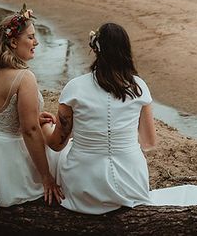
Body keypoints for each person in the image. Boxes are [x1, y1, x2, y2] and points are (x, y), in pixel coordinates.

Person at [45, 22, 156, 214]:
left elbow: (56, 144)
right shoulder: (139, 87)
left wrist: (44, 127)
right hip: (132, 184)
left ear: (96, 50)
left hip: (84, 185)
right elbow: (149, 142)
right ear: (126, 50)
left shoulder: (74, 88)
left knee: (54, 153)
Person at [0, 5, 63, 207]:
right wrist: (45, 177)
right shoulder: (24, 78)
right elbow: (30, 130)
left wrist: (33, 117)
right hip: (4, 165)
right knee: (62, 162)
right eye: (31, 37)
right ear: (14, 41)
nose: (36, 42)